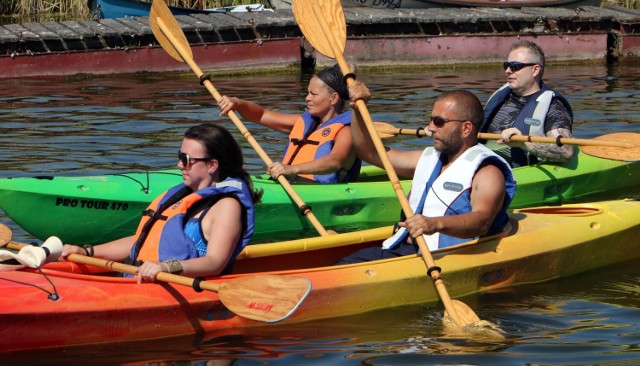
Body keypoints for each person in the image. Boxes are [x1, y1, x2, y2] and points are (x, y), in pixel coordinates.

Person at [336, 83, 516, 264]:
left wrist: (434, 223)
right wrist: (358, 109)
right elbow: (369, 153)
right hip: (403, 248)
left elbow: (482, 221)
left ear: (466, 128)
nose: (430, 128)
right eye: (431, 120)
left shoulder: (488, 172)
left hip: (443, 258)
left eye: (439, 122)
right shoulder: (428, 157)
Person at [60, 124, 262, 281]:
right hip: (147, 279)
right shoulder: (182, 197)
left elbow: (214, 262)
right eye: (179, 156)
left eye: (186, 159)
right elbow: (142, 240)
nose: (179, 164)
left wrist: (167, 267)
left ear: (212, 165)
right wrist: (88, 251)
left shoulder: (227, 206)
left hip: (186, 286)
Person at [217, 64, 361, 183]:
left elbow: (335, 161)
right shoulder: (303, 123)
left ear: (334, 98)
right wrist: (238, 103)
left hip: (321, 191)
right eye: (307, 93)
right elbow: (261, 115)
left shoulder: (346, 130)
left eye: (313, 94)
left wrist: (293, 169)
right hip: (290, 183)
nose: (307, 98)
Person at [481, 40, 574, 167]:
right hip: (483, 162)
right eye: (506, 65)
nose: (508, 71)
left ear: (535, 70)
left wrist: (523, 143)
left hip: (516, 171)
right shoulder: (501, 97)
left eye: (515, 66)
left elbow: (566, 151)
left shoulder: (553, 107)